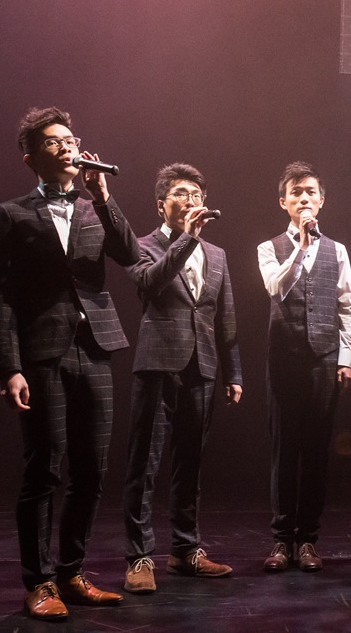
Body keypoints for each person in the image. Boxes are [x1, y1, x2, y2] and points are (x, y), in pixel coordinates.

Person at [0, 107, 138, 621]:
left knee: (92, 469)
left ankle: (72, 573)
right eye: (54, 141)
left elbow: (129, 254)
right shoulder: (13, 214)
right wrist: (9, 366)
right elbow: (0, 297)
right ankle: (39, 582)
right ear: (31, 157)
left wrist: (105, 196)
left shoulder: (95, 206)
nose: (68, 146)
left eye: (71, 139)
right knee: (45, 468)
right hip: (42, 352)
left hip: (94, 346)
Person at [121, 163, 244, 594]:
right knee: (145, 463)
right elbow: (150, 284)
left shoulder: (218, 254)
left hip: (203, 366)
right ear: (162, 205)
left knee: (190, 463)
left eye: (196, 194)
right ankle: (139, 556)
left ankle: (185, 549)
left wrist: (234, 371)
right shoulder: (142, 246)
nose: (190, 200)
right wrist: (187, 238)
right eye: (180, 194)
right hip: (158, 363)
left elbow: (224, 316)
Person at [256, 161, 351, 573]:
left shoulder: (338, 250)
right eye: (295, 192)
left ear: (322, 200)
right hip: (284, 359)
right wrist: (299, 247)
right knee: (285, 451)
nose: (304, 198)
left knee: (316, 451)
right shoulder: (269, 248)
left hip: (324, 358)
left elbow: (346, 306)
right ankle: (282, 540)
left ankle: (309, 541)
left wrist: (346, 359)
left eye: (310, 192)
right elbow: (275, 288)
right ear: (283, 202)